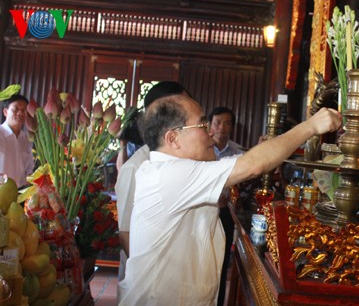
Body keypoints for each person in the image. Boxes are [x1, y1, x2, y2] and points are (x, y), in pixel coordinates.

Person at [117, 94, 342, 305]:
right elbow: (253, 165)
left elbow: (246, 161)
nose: (212, 133)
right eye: (203, 126)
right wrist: (311, 125)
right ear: (172, 138)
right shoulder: (167, 175)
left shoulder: (176, 170)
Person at [114, 81, 191, 284]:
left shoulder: (181, 161)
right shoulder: (135, 168)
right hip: (146, 281)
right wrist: (150, 279)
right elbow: (126, 234)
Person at [208, 106, 244, 306]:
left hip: (225, 214)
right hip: (202, 212)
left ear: (232, 126)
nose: (222, 127)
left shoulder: (238, 152)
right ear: (210, 125)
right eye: (217, 122)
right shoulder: (200, 150)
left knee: (221, 263)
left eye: (227, 123)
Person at [0, 94, 34, 188]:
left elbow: (29, 166)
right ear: (5, 112)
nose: (20, 113)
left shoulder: (27, 139)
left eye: (24, 110)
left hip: (20, 193)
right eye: (15, 109)